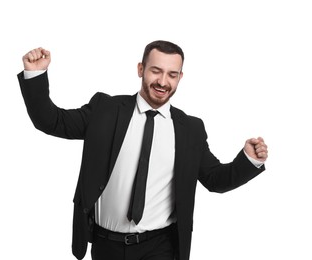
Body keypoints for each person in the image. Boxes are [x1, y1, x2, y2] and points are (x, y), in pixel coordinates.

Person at [18, 40, 268, 260]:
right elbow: (52, 121)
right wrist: (36, 75)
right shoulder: (105, 109)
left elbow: (215, 179)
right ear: (141, 69)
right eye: (156, 71)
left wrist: (248, 160)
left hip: (159, 246)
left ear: (180, 77)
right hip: (106, 245)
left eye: (172, 74)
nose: (162, 81)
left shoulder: (190, 129)